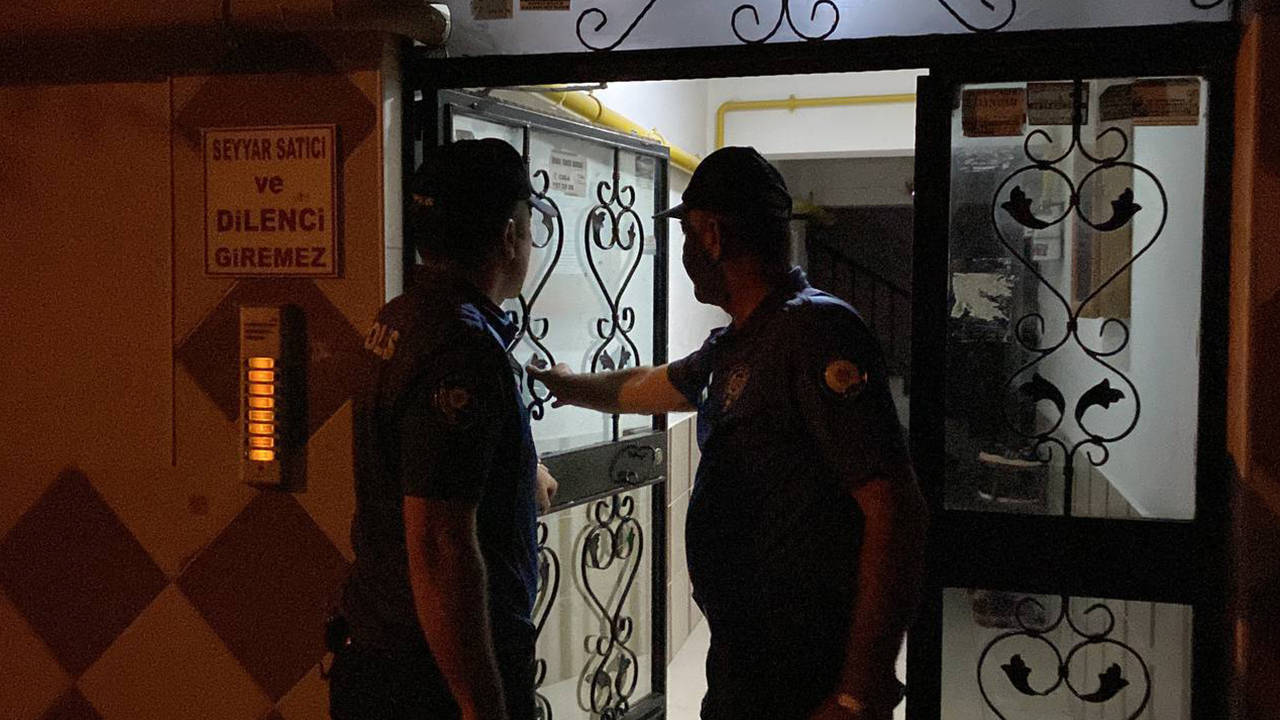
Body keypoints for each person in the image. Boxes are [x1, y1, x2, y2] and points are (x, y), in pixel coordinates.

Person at [528, 146, 928, 720]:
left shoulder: (816, 331)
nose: (685, 254)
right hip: (748, 655)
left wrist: (859, 690)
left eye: (686, 236)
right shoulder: (741, 341)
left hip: (804, 666)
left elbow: (895, 508)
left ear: (712, 236)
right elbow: (648, 385)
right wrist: (567, 385)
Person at [331, 138, 559, 720]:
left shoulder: (402, 317)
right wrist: (481, 706)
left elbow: (419, 464)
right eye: (530, 228)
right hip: (430, 678)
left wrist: (517, 473)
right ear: (510, 235)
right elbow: (439, 544)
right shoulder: (461, 348)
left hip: (383, 651)